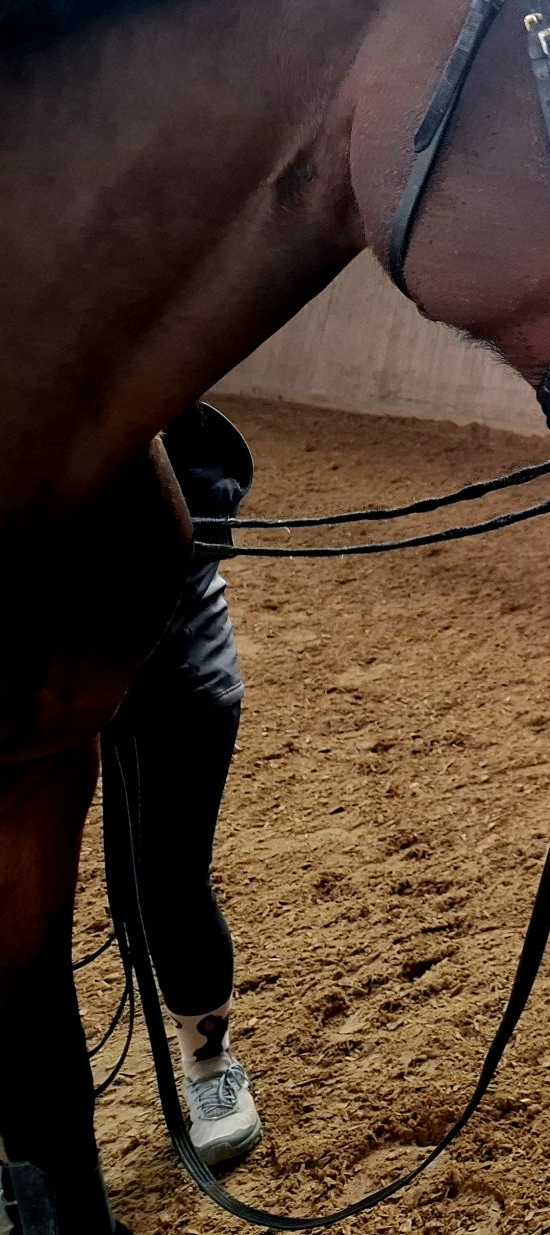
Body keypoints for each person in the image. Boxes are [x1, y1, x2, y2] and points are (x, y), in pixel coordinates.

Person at [105, 403, 265, 1169]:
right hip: (35, 674)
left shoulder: (174, 431)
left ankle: (209, 1065)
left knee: (167, 880)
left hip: (174, 668)